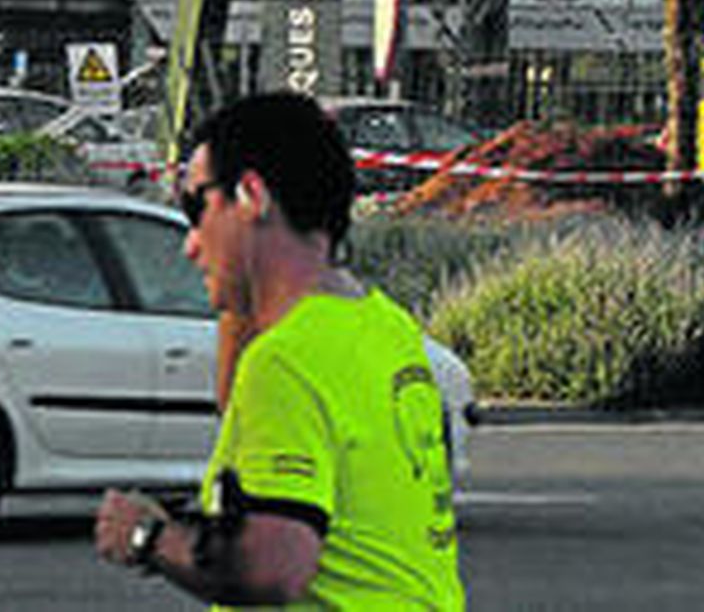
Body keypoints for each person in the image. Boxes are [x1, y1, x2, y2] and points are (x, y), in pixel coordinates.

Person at [93, 91, 464, 608]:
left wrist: (146, 537)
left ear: (252, 195)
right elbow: (240, 421)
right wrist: (240, 283)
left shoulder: (287, 361)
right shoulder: (384, 327)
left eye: (197, 205)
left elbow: (273, 566)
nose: (190, 241)